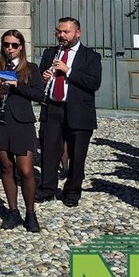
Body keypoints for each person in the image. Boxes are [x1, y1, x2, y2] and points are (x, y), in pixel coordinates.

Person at [37, 17, 103, 207]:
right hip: (53, 108)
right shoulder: (50, 53)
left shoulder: (91, 56)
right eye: (59, 31)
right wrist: (43, 77)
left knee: (77, 154)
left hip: (78, 111)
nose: (62, 35)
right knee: (49, 151)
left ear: (77, 33)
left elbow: (94, 83)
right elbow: (39, 79)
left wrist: (68, 70)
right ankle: (47, 188)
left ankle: (72, 192)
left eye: (66, 32)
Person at [0, 30, 45, 232]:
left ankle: (31, 213)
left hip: (21, 122)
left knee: (26, 170)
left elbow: (39, 95)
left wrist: (17, 85)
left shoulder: (30, 68)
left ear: (21, 47)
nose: (9, 49)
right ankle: (13, 211)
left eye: (14, 45)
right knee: (6, 167)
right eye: (6, 44)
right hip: (0, 121)